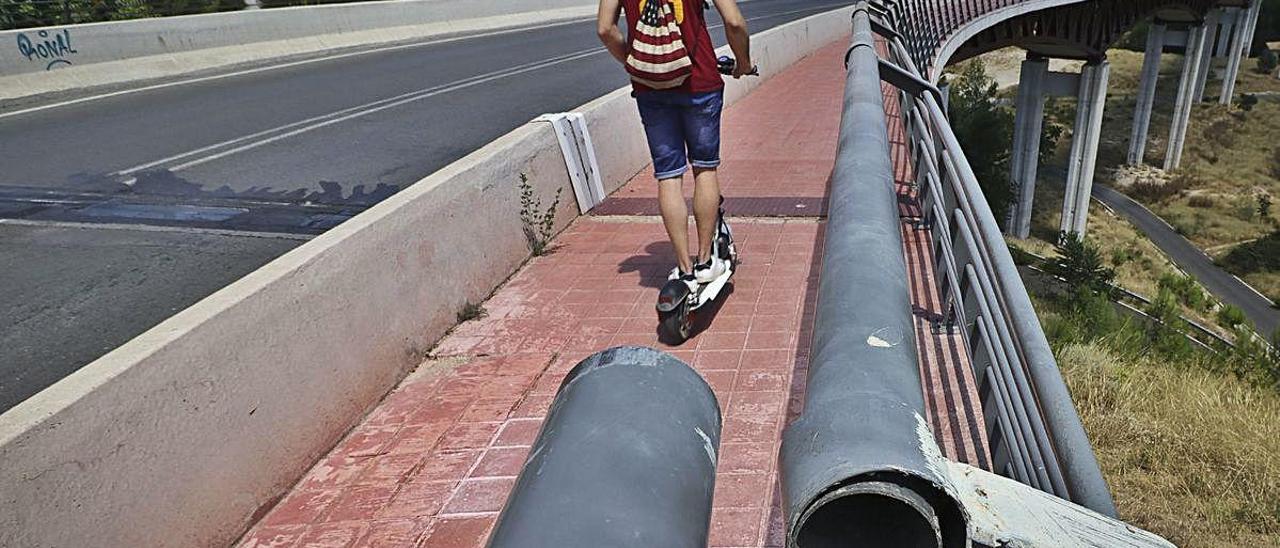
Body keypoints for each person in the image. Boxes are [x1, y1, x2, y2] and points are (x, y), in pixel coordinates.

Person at [597, 0, 751, 289]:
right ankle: (706, 261)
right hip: (700, 83)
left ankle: (683, 267)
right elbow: (734, 23)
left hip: (650, 89)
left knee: (668, 175)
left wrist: (638, 61)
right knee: (705, 169)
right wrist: (743, 62)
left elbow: (605, 29)